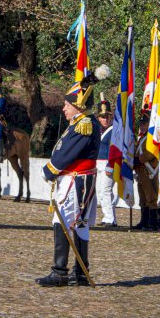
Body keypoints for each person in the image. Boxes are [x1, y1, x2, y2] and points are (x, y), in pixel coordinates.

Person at [36, 66, 107, 287]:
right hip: (80, 180)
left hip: (75, 181)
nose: (64, 109)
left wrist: (50, 170)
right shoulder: (81, 123)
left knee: (63, 221)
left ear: (78, 106)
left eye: (67, 105)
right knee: (80, 224)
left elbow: (66, 154)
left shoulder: (84, 125)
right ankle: (81, 272)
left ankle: (60, 272)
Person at [133, 110, 160, 231]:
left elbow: (151, 153)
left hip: (149, 171)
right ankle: (144, 220)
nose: (142, 126)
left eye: (145, 124)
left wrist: (138, 160)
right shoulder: (142, 138)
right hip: (140, 171)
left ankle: (152, 222)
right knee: (142, 197)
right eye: (141, 124)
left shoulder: (152, 138)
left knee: (151, 197)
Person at [96, 93, 117, 227]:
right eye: (102, 117)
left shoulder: (113, 131)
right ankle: (107, 216)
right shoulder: (98, 131)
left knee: (106, 190)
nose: (105, 119)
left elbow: (113, 150)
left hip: (108, 164)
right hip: (98, 164)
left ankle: (110, 218)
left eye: (107, 117)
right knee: (100, 191)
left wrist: (110, 165)